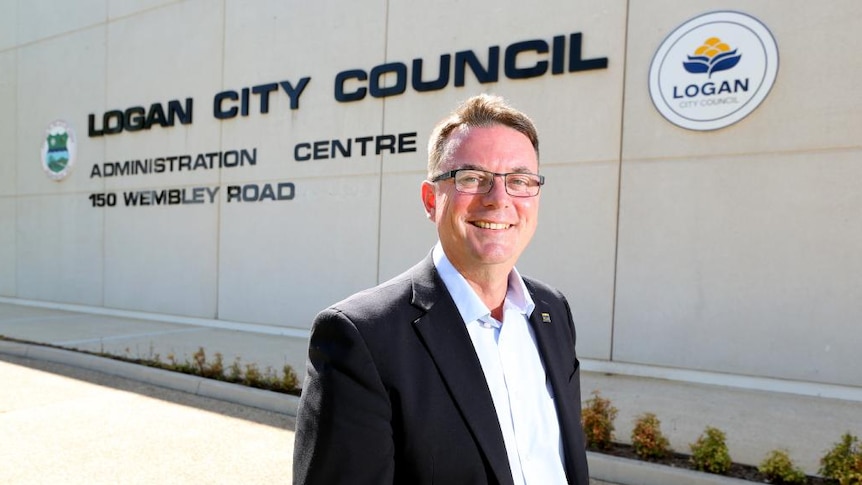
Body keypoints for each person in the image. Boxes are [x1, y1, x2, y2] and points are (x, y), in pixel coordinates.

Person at [293, 94, 589, 485]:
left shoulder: (552, 312)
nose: (499, 200)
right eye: (472, 178)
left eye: (519, 181)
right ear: (431, 200)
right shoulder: (363, 336)